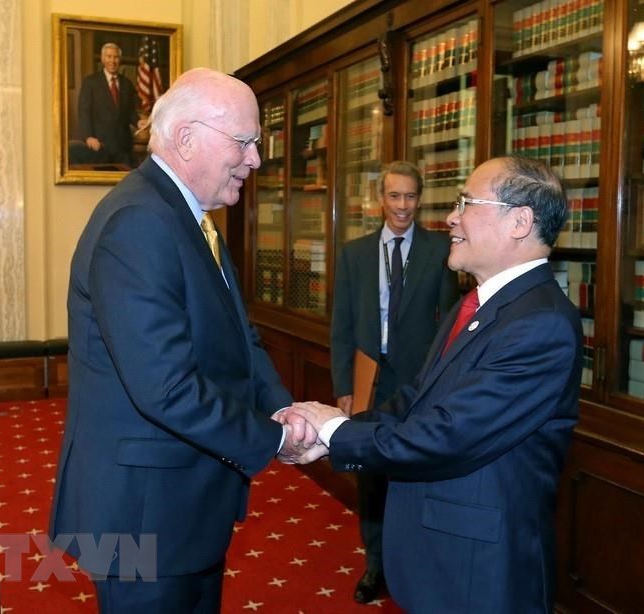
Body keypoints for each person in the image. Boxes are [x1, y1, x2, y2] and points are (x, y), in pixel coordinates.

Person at [50, 67, 318, 613]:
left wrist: (282, 406)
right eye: (244, 142)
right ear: (187, 137)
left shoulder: (184, 215)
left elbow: (239, 337)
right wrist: (272, 440)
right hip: (143, 514)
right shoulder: (139, 222)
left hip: (180, 504)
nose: (255, 160)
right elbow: (165, 388)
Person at [287, 155, 583, 613]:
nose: (451, 217)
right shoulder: (476, 304)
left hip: (480, 574)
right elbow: (413, 400)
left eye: (467, 202)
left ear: (520, 222)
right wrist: (338, 433)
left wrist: (335, 431)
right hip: (440, 557)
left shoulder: (541, 323)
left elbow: (449, 434)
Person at [330, 160, 458, 603]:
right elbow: (342, 326)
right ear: (379, 200)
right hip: (370, 381)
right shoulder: (354, 254)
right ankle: (375, 566)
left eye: (410, 196)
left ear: (419, 200)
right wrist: (343, 387)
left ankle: (415, 566)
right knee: (372, 481)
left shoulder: (441, 251)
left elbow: (449, 327)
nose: (402, 205)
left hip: (419, 387)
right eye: (394, 196)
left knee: (416, 477)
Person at [76, 42, 144, 166]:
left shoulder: (126, 84)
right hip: (99, 146)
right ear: (102, 59)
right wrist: (88, 137)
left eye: (116, 57)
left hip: (124, 147)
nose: (112, 61)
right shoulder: (90, 83)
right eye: (109, 56)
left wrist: (138, 122)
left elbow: (130, 112)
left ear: (120, 60)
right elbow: (84, 111)